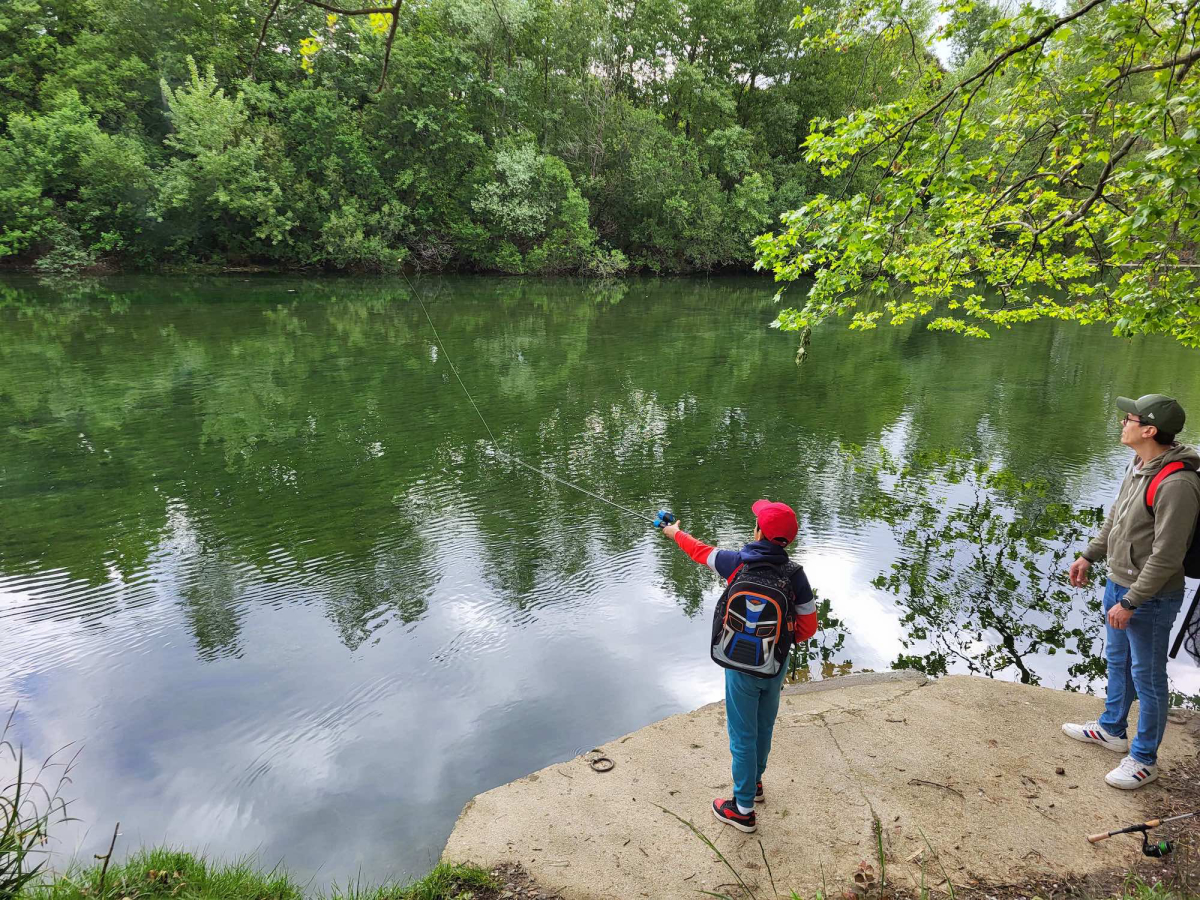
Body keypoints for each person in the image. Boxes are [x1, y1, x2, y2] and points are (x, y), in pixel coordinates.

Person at [1063, 394, 1200, 789]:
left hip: (1151, 597)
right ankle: (1112, 730)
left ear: (1149, 430)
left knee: (1149, 677)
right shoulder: (1139, 464)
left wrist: (1131, 601)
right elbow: (1117, 518)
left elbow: (1167, 556)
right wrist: (1089, 555)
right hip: (1118, 583)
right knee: (1118, 661)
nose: (1123, 423)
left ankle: (1143, 759)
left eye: (1129, 418)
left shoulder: (1178, 483)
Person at [661, 500, 817, 832]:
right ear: (788, 540)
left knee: (741, 734)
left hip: (739, 667)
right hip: (774, 663)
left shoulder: (736, 563)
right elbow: (808, 628)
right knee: (764, 724)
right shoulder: (796, 577)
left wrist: (674, 532)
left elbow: (699, 551)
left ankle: (742, 809)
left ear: (758, 531)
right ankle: (755, 784)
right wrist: (776, 642)